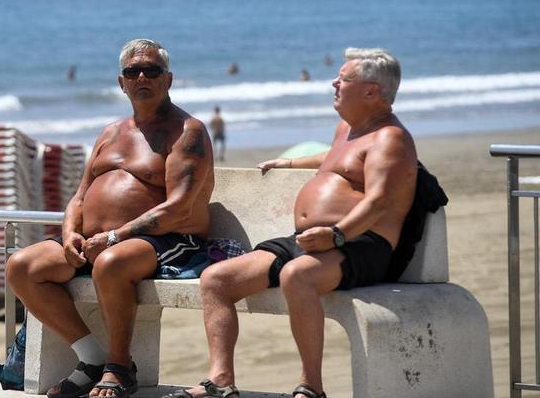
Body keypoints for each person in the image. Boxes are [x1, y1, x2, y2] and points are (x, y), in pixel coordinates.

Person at [170, 48, 417, 398]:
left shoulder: (390, 138)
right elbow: (337, 159)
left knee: (296, 275)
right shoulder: (347, 128)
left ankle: (311, 387)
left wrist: (337, 234)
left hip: (361, 244)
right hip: (309, 240)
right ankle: (220, 381)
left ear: (371, 91)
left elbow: (378, 201)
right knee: (216, 279)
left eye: (343, 79)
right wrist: (289, 163)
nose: (334, 82)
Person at [6, 39, 215, 398]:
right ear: (122, 83)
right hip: (98, 241)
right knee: (22, 266)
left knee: (111, 264)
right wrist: (70, 232)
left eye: (152, 70)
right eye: (133, 72)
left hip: (169, 239)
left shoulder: (186, 131)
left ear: (168, 79)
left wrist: (115, 237)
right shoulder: (111, 133)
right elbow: (80, 195)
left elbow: (178, 207)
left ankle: (120, 367)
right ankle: (92, 359)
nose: (142, 77)